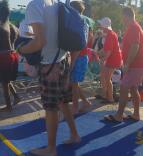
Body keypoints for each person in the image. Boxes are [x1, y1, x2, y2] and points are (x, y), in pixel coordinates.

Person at [19, 0, 80, 155]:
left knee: (51, 108)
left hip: (49, 64)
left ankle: (51, 149)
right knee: (63, 102)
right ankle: (74, 135)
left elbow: (40, 42)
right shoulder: (55, 2)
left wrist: (21, 49)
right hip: (63, 58)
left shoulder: (35, 5)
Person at [104, 7, 143, 122]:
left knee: (124, 88)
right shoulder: (134, 27)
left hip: (135, 64)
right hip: (138, 64)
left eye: (123, 17)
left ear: (127, 16)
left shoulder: (133, 27)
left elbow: (135, 46)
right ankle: (136, 114)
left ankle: (119, 115)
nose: (122, 20)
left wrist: (127, 63)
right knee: (133, 89)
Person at [70, 0, 95, 114]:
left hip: (79, 56)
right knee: (74, 83)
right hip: (81, 56)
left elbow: (79, 45)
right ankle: (85, 102)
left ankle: (75, 107)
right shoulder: (84, 22)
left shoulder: (79, 22)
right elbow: (89, 37)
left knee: (74, 84)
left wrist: (72, 62)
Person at [0, 0, 20, 112]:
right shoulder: (11, 26)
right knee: (6, 80)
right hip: (12, 54)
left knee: (4, 81)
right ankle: (16, 97)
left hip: (3, 56)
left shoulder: (1, 25)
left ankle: (8, 106)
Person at [98, 17, 122, 103]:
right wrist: (96, 53)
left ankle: (110, 98)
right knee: (104, 77)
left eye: (101, 25)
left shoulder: (110, 35)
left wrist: (103, 60)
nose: (100, 26)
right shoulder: (110, 34)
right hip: (113, 58)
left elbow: (109, 52)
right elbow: (105, 49)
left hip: (114, 59)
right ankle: (105, 95)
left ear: (104, 26)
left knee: (107, 79)